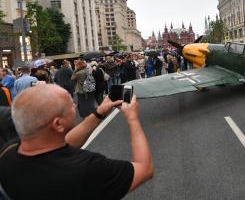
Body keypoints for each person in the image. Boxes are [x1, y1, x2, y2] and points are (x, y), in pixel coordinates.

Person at [0, 84, 153, 199]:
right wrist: (133, 119)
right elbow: (145, 169)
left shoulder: (8, 155)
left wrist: (99, 113)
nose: (74, 105)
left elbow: (63, 143)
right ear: (58, 124)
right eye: (70, 105)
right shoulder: (88, 169)